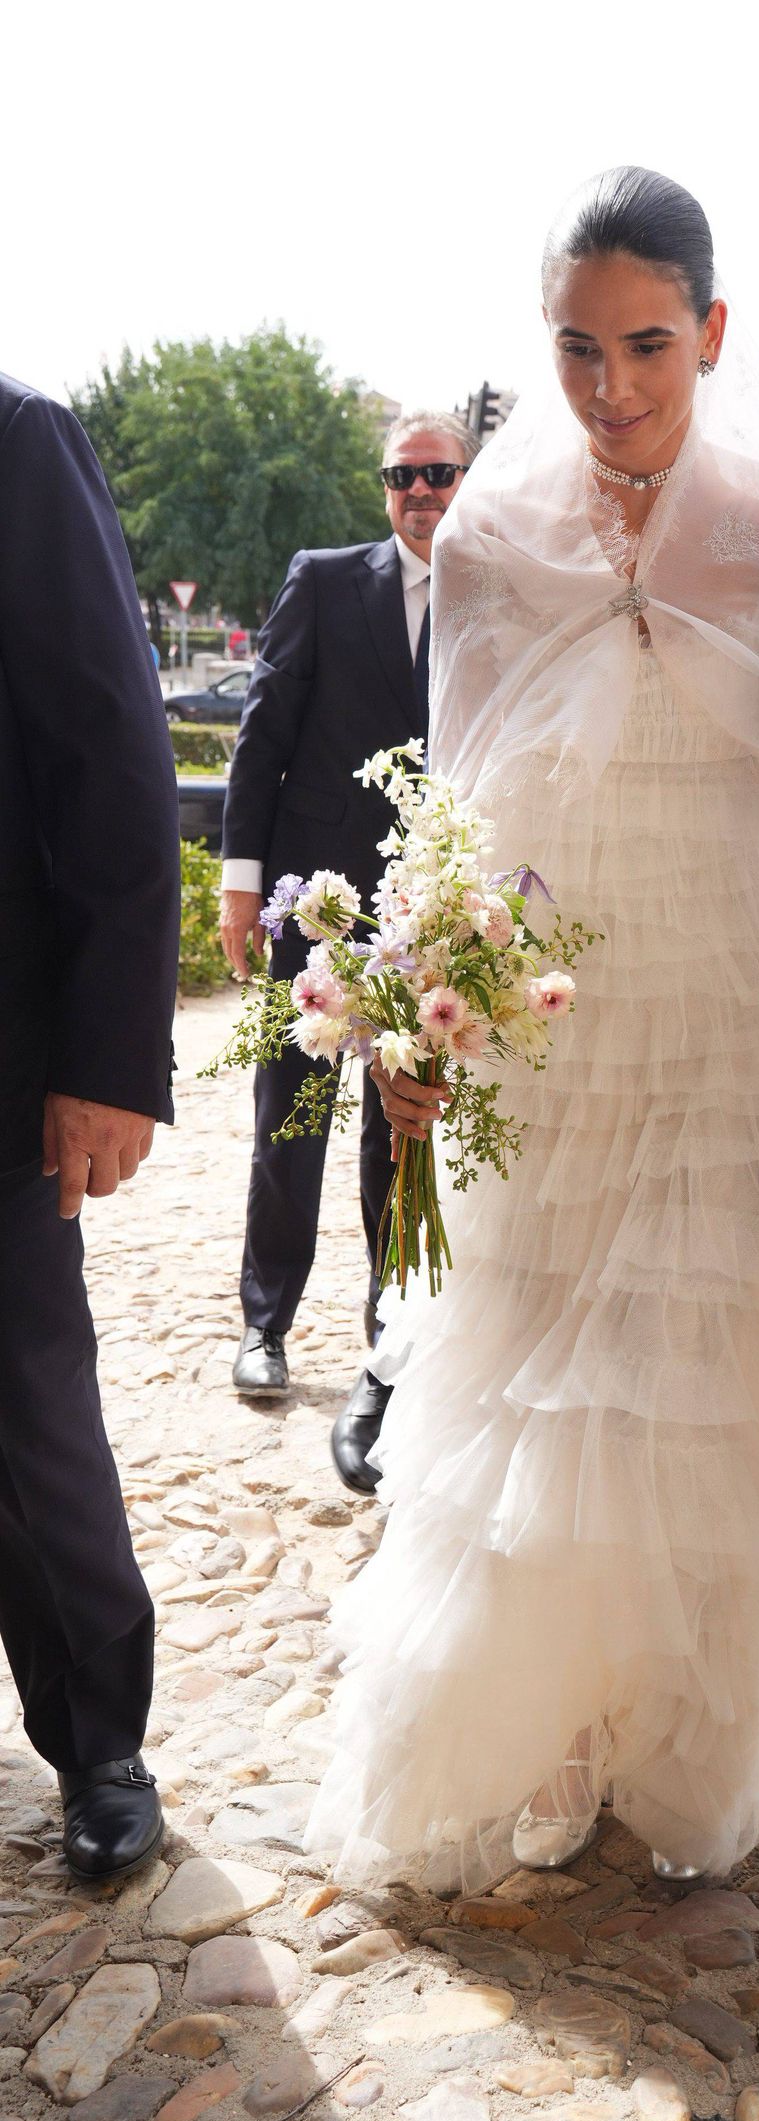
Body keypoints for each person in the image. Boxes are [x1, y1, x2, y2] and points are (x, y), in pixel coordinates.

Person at [304, 169, 759, 1892]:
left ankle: (675, 1724)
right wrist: (422, 1008)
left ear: (711, 333)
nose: (612, 384)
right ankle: (546, 1725)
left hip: (724, 992)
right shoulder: (491, 536)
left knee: (692, 1371)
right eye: (578, 348)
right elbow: (453, 792)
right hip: (549, 1010)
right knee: (536, 1349)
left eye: (648, 344)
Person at [219, 410, 480, 1493]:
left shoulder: (496, 595)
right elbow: (263, 735)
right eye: (401, 475)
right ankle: (265, 1324)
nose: (420, 491)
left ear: (470, 480)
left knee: (398, 1131)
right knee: (291, 1117)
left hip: (427, 911)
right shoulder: (323, 581)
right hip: (313, 904)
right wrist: (242, 887)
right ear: (384, 487)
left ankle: (389, 1337)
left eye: (439, 473)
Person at [0, 374, 181, 1881]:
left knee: (24, 1406)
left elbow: (113, 753)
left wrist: (109, 1057)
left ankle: (98, 1739)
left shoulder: (15, 438)